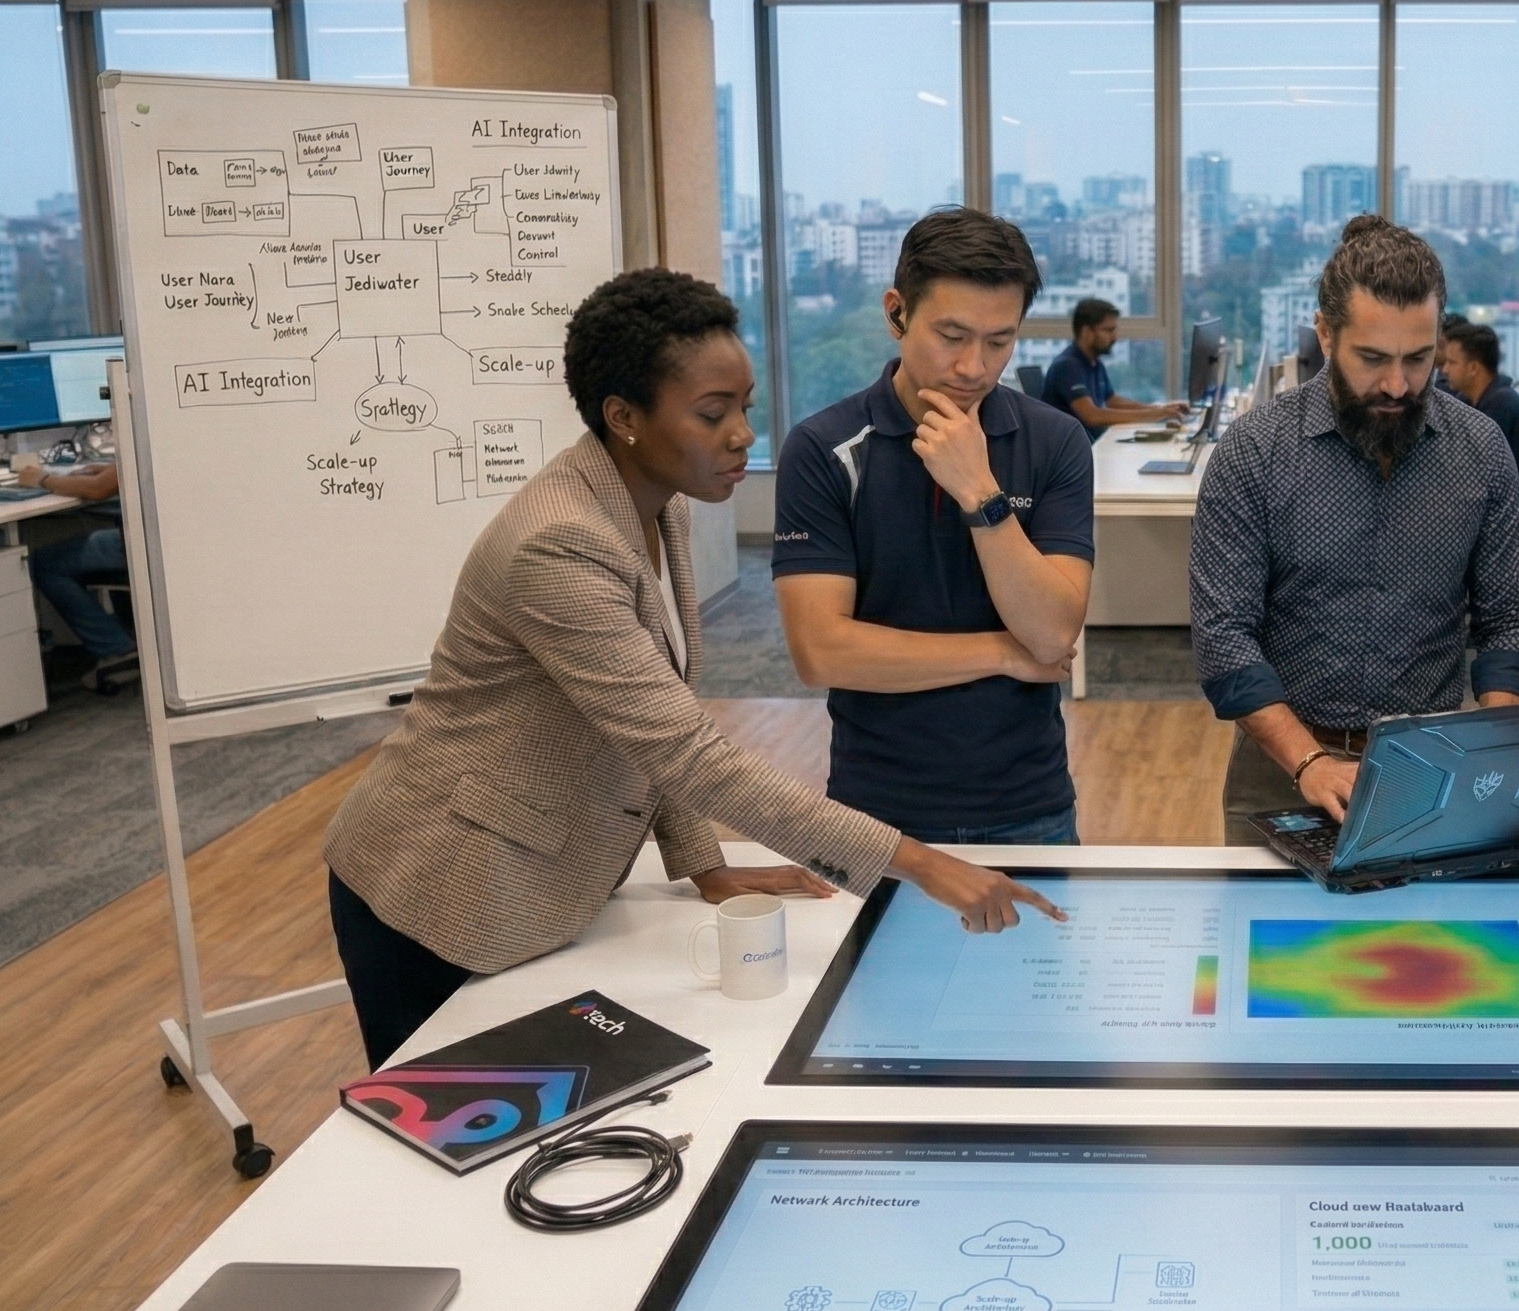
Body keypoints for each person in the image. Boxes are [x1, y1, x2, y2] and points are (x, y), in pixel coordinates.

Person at [323, 269, 1060, 1067]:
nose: (743, 433)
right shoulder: (559, 543)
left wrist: (704, 866)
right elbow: (685, 752)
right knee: (450, 1141)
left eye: (746, 406)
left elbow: (650, 714)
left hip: (538, 872)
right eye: (713, 414)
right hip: (438, 884)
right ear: (624, 418)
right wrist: (918, 863)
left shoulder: (656, 504)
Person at [1190, 214, 1519, 844]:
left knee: (1417, 943)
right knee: (1272, 942)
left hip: (1430, 769)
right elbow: (1224, 637)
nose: (1398, 384)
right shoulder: (1255, 452)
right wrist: (1311, 762)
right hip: (1281, 766)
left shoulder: (1481, 450)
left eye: (1419, 358)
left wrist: (1494, 751)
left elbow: (1509, 620)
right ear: (1325, 334)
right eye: (1373, 358)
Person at [773, 209, 1096, 845]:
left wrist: (979, 490)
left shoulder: (1054, 441)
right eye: (951, 335)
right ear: (897, 313)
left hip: (1028, 803)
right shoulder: (822, 448)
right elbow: (821, 652)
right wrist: (1004, 653)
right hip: (877, 810)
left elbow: (1054, 630)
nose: (974, 366)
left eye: (1000, 341)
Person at [13, 455, 134, 676]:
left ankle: (117, 648)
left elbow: (97, 489)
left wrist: (43, 478)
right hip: (174, 542)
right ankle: (132, 638)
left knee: (45, 564)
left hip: (145, 545)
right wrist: (112, 470)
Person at [1040, 297, 1185, 440]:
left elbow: (1112, 401)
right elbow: (1092, 415)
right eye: (1108, 330)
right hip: (1075, 452)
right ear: (1086, 331)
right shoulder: (1067, 366)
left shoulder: (1093, 362)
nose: (1114, 337)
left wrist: (1159, 409)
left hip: (1094, 444)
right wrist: (1155, 415)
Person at [1438, 319, 1519, 494]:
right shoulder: (1469, 400)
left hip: (1508, 503)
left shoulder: (1501, 405)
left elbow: (1473, 469)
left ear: (1474, 368)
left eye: (1452, 363)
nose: (1444, 370)